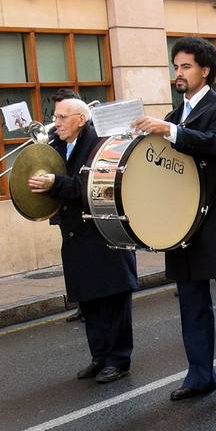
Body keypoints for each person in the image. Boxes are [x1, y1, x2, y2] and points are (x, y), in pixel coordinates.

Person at [131, 37, 216, 408]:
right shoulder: (173, 116)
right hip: (181, 223)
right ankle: (199, 375)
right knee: (191, 303)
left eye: (185, 66)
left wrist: (169, 132)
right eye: (176, 67)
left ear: (205, 70)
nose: (178, 73)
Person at [27, 98, 137, 383]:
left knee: (112, 300)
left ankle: (118, 360)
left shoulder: (101, 142)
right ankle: (99, 356)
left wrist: (55, 184)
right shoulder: (57, 147)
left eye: (63, 117)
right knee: (89, 301)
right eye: (55, 116)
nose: (57, 123)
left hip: (104, 233)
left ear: (81, 119)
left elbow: (91, 185)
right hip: (75, 234)